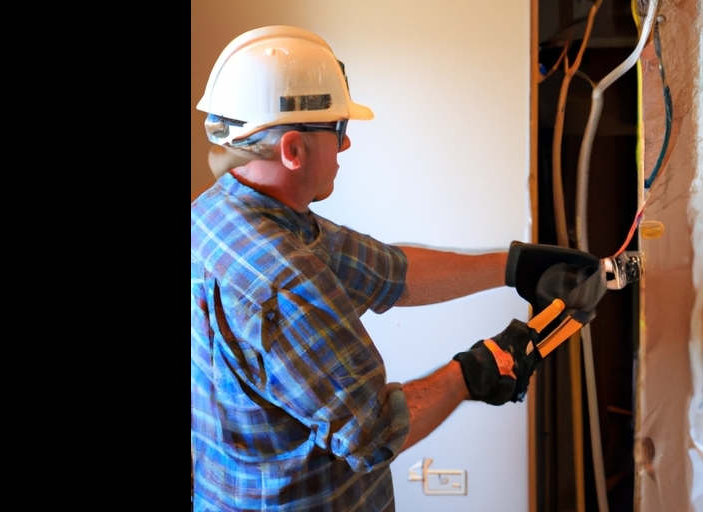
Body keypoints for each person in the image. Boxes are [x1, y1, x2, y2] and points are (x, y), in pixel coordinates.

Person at [191, 26, 564, 512]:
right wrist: (475, 371)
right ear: (293, 150)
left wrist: (513, 266)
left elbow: (386, 272)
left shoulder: (219, 214)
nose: (346, 144)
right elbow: (372, 433)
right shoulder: (281, 278)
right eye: (338, 129)